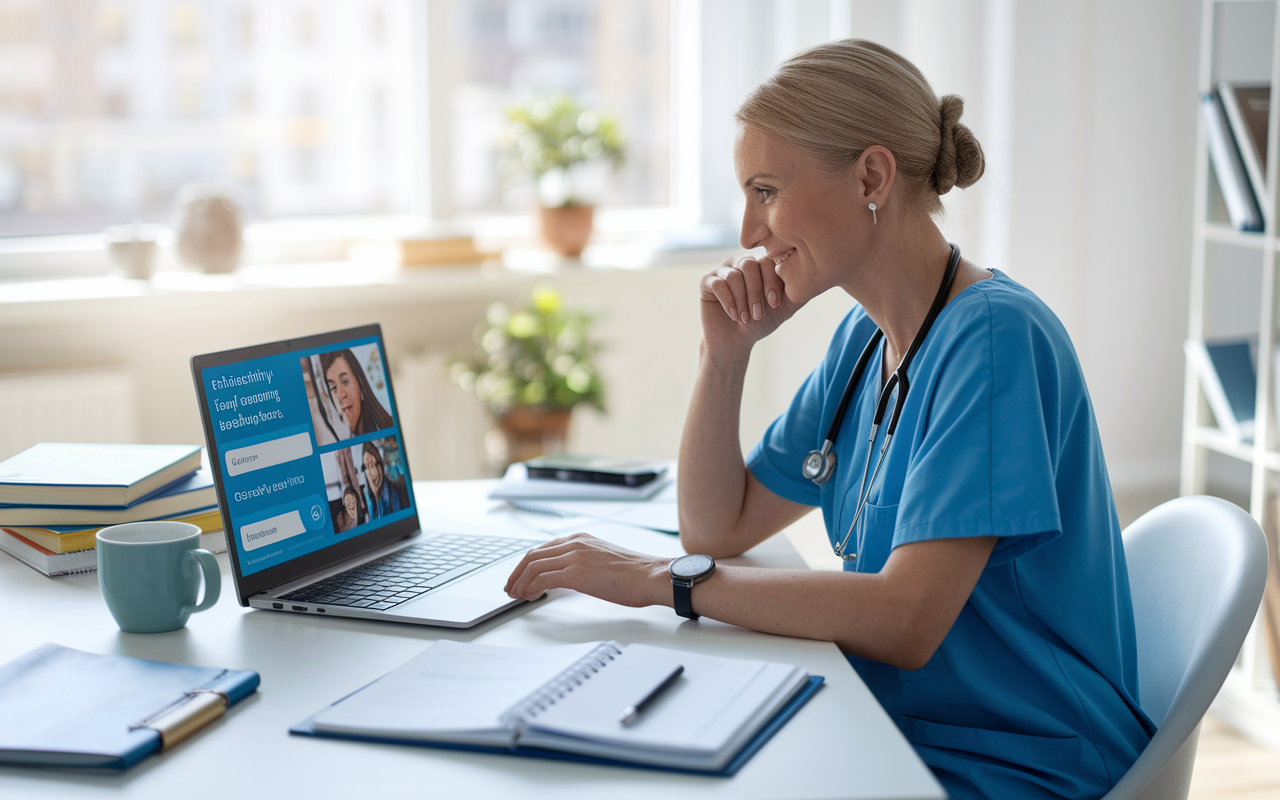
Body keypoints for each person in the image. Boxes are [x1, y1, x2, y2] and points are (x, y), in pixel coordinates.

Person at [504, 39, 1154, 800]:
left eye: (767, 191)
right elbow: (717, 528)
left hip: (1019, 763)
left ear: (872, 177)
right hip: (902, 732)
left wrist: (655, 580)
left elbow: (905, 619)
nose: (750, 233)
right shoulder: (865, 342)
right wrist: (726, 357)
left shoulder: (992, 339)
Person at [320, 348, 394, 437]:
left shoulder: (391, 427)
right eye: (333, 387)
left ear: (361, 386)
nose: (340, 395)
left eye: (345, 382)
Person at [361, 441, 402, 520]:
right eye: (367, 466)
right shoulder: (364, 498)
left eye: (373, 465)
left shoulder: (392, 493)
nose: (371, 472)